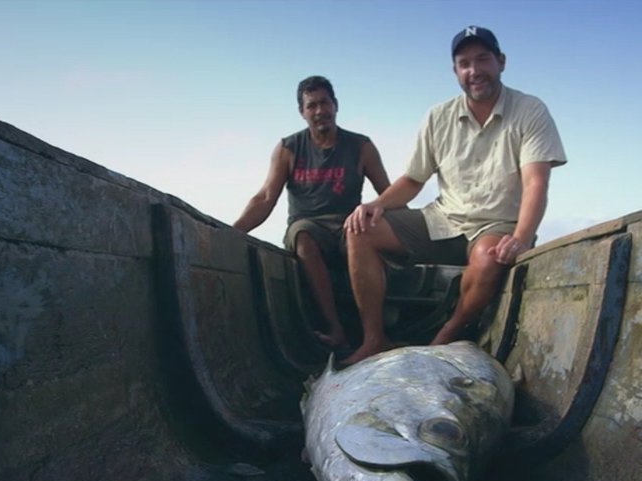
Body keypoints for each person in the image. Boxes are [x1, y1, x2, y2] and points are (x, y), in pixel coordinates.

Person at [341, 26, 567, 366]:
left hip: (496, 224)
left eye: (482, 60)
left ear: (501, 62)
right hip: (442, 219)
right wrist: (375, 204)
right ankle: (374, 340)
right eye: (464, 63)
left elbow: (536, 182)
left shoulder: (530, 110)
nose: (474, 71)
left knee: (490, 258)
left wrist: (520, 237)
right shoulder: (437, 116)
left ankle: (445, 337)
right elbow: (412, 180)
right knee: (359, 229)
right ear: (455, 71)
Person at [233, 76, 390, 349]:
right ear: (302, 112)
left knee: (362, 233)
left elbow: (388, 195)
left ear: (335, 105)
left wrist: (408, 233)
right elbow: (265, 197)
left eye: (325, 103)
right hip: (308, 228)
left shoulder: (361, 146)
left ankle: (373, 335)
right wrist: (233, 234)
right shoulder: (288, 148)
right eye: (312, 105)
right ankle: (335, 328)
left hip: (347, 226)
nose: (320, 111)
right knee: (303, 235)